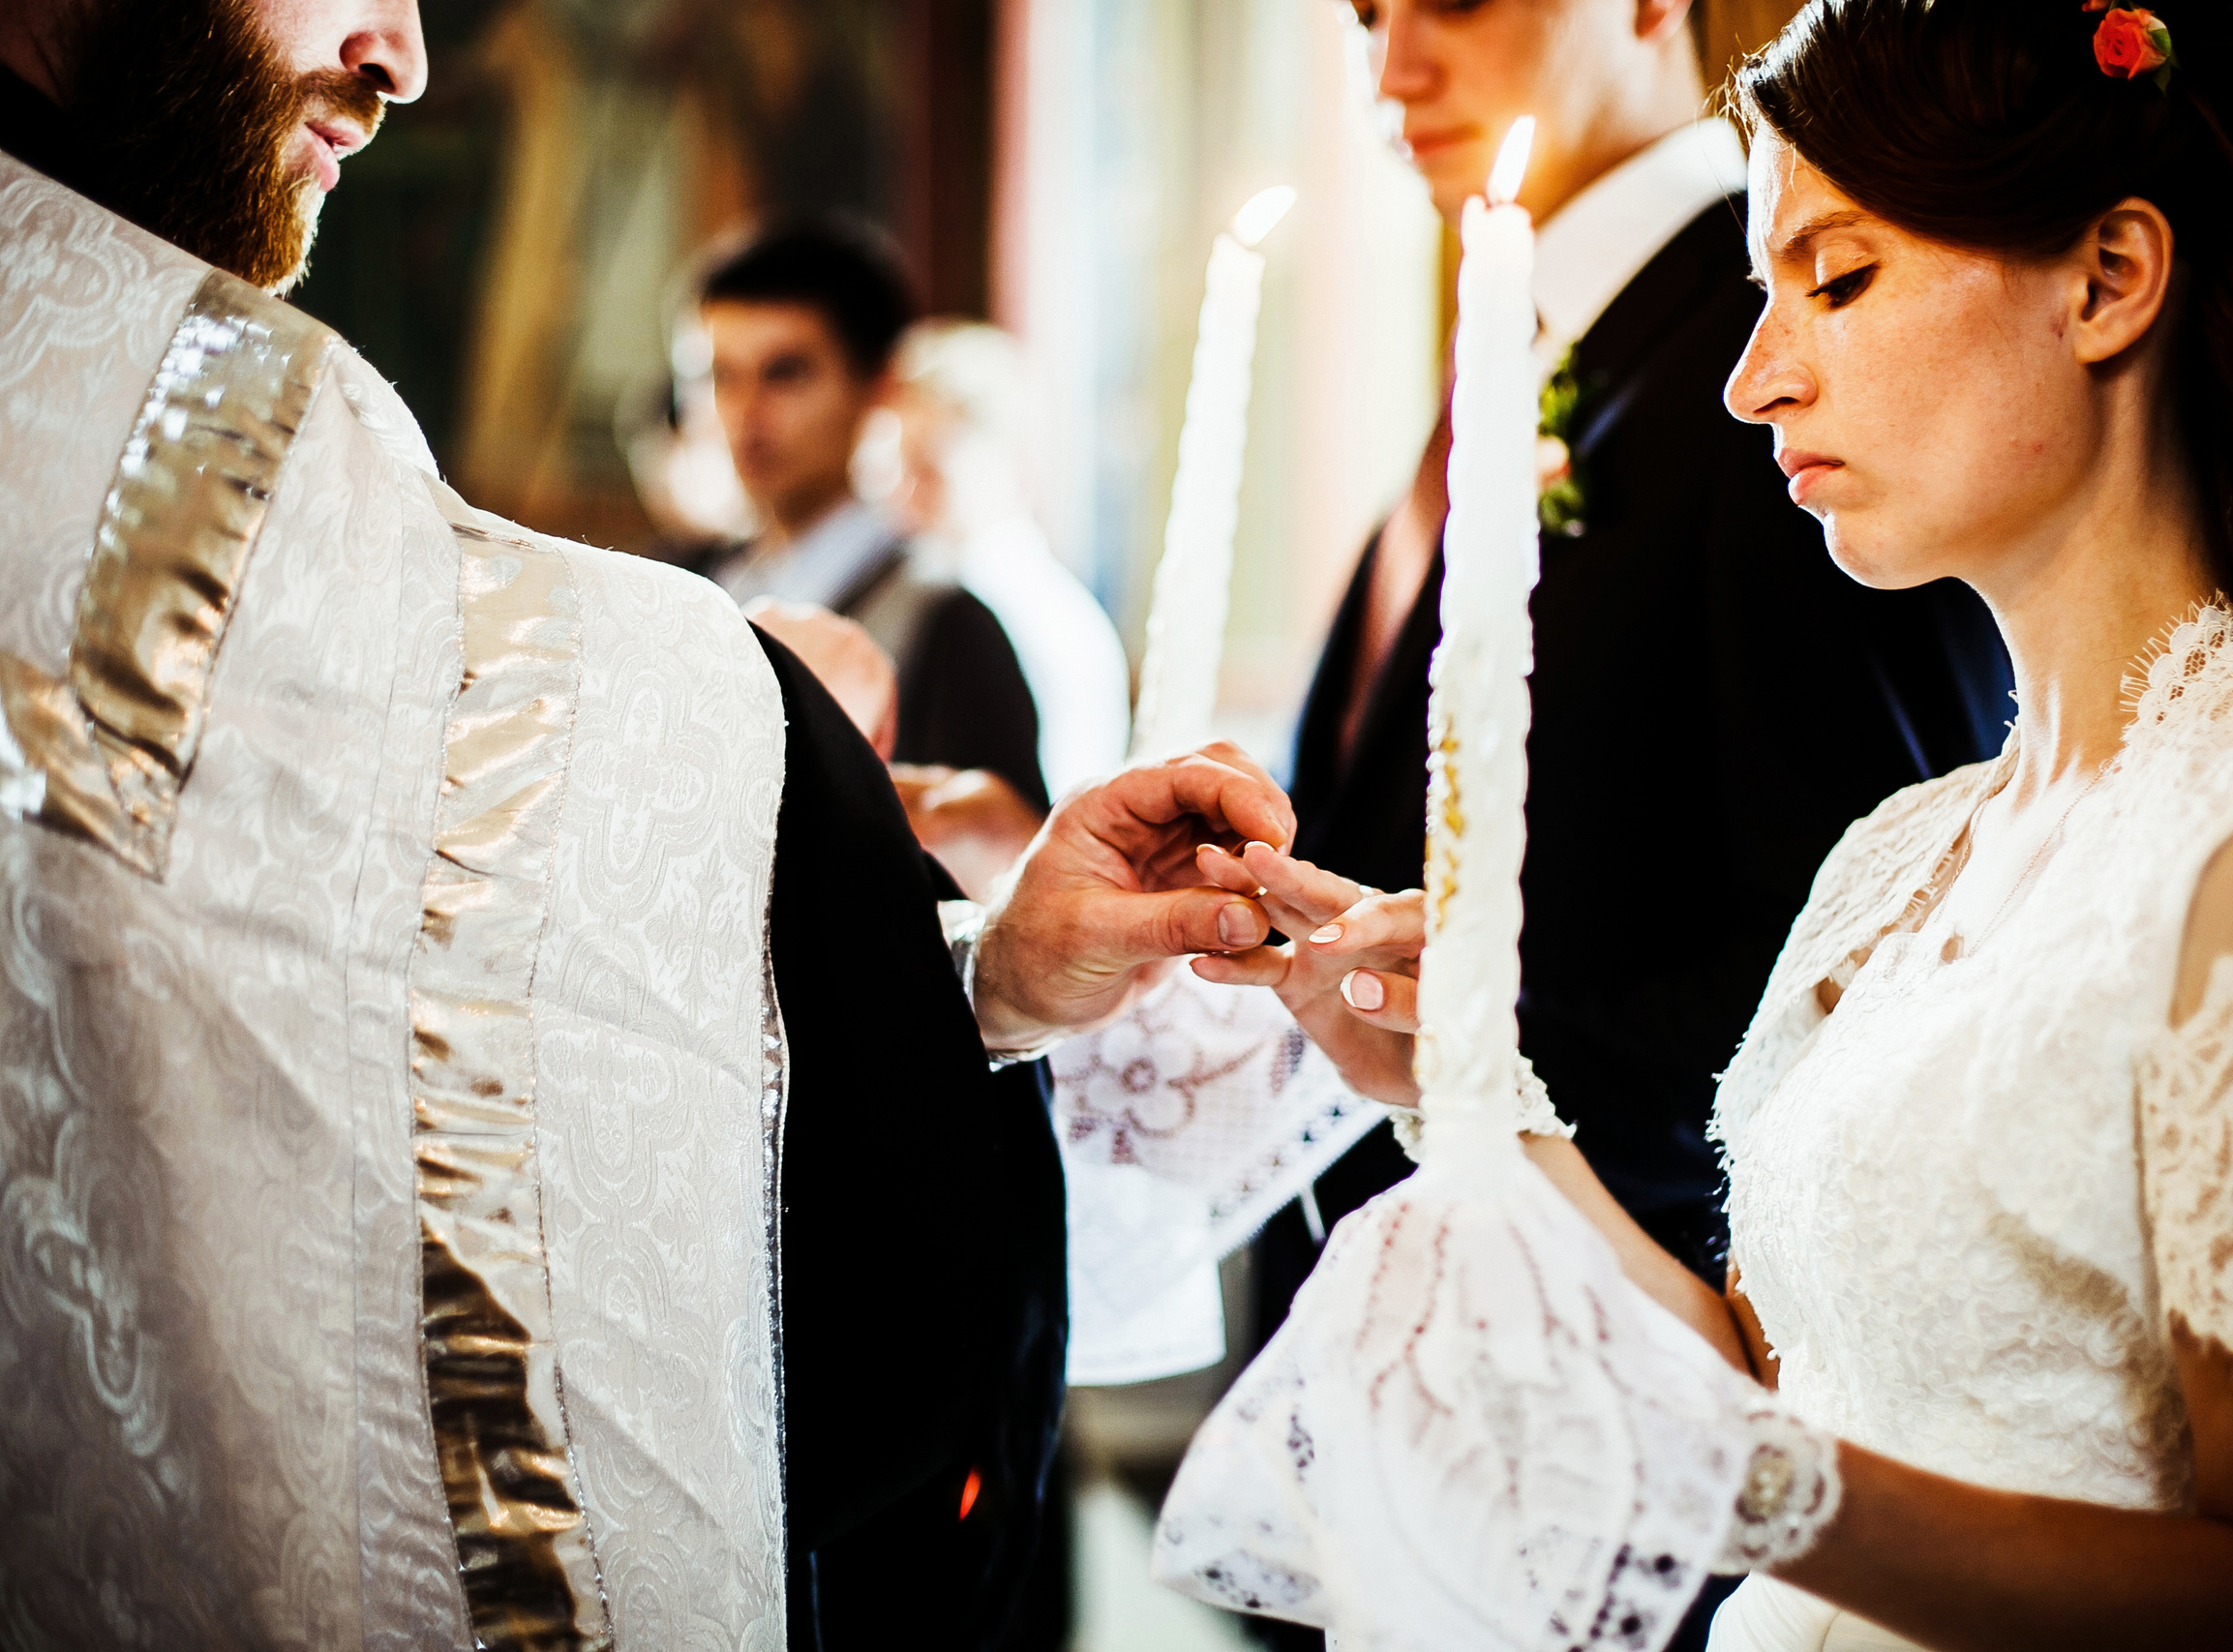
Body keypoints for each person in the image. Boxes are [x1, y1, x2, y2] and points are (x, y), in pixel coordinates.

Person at [1175, 1, 2233, 1647]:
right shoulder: (1902, 855)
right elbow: (1767, 1387)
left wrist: (1751, 1486)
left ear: (2109, 279)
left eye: (1839, 277)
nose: (1751, 374)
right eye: (1763, 287)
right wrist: (1472, 1085)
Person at [0, 5, 1299, 1649]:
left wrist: (965, 956)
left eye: (787, 375)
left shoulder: (950, 615)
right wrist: (767, 720)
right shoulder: (146, 393)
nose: (399, 51)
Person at [1249, 4, 2009, 1639]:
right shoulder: (1530, 349)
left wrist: (1485, 1071)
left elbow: (1854, 953)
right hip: (1440, 1435)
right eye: (1365, 18)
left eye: (1450, 2)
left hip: (1656, 1434)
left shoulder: (1799, 386)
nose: (1391, 70)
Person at [697, 220, 1052, 813]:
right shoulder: (679, 580)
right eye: (723, 376)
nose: (745, 413)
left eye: (785, 373)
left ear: (877, 384)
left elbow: (999, 871)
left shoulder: (952, 630)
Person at [876, 318, 1132, 898]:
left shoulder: (1040, 622)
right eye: (893, 469)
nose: (903, 495)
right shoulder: (910, 596)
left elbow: (1051, 826)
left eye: (929, 468)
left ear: (1009, 462)